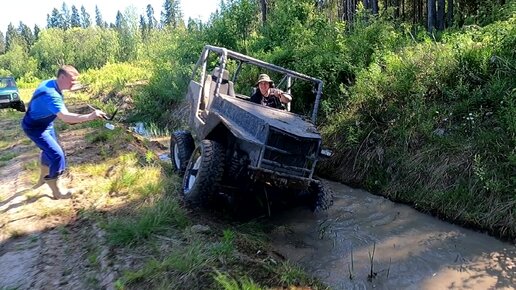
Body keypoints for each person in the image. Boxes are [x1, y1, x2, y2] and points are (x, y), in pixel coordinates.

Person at [21, 65, 106, 199]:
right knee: (57, 155)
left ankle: (42, 179)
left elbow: (43, 100)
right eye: (72, 80)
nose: (74, 83)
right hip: (34, 128)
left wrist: (74, 86)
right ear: (62, 77)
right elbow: (66, 118)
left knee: (48, 151)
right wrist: (90, 116)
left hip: (46, 124)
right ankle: (56, 190)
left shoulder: (52, 83)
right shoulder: (51, 95)